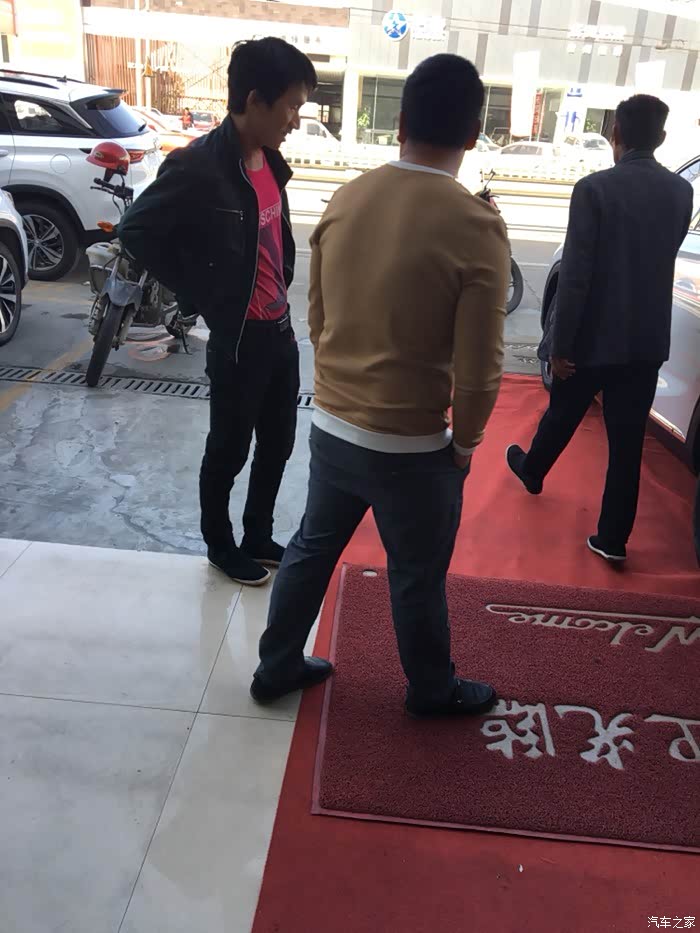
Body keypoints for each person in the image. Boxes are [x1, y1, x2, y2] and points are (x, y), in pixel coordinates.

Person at [250, 54, 510, 717]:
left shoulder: (348, 198)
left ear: (401, 125)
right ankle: (431, 690)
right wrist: (464, 443)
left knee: (310, 547)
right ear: (473, 133)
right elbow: (481, 364)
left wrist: (337, 394)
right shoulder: (478, 226)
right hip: (413, 444)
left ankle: (276, 665)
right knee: (416, 574)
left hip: (333, 425)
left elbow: (317, 315)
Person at [119, 39, 317, 585]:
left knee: (278, 443)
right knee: (228, 450)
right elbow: (137, 231)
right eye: (291, 106)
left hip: (280, 329)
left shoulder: (269, 160)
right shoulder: (199, 166)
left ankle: (257, 534)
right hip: (239, 337)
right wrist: (201, 294)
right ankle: (220, 545)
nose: (295, 120)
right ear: (254, 100)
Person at [506, 94, 693, 563]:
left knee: (563, 411)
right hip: (646, 339)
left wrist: (559, 344)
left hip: (592, 336)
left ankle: (533, 470)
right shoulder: (681, 191)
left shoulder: (593, 189)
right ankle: (612, 539)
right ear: (661, 137)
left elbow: (576, 276)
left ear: (616, 134)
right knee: (627, 445)